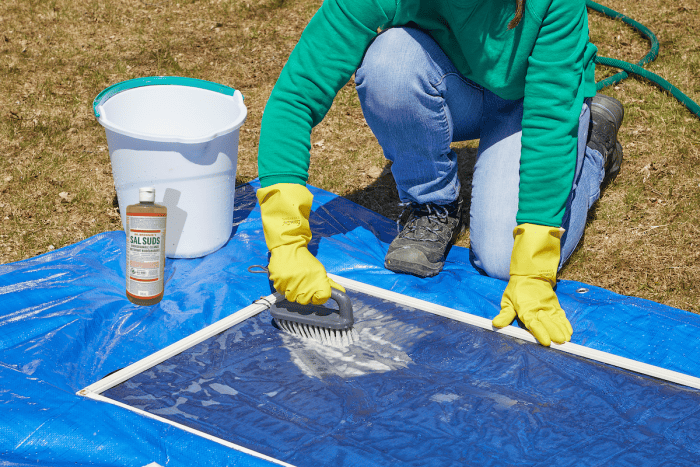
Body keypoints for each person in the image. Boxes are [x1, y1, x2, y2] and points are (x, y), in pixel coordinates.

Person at [255, 0, 624, 346]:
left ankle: (591, 150)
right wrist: (287, 242)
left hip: (529, 101)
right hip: (451, 82)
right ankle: (432, 206)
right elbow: (297, 94)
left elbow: (548, 121)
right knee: (388, 64)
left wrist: (533, 270)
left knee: (503, 259)